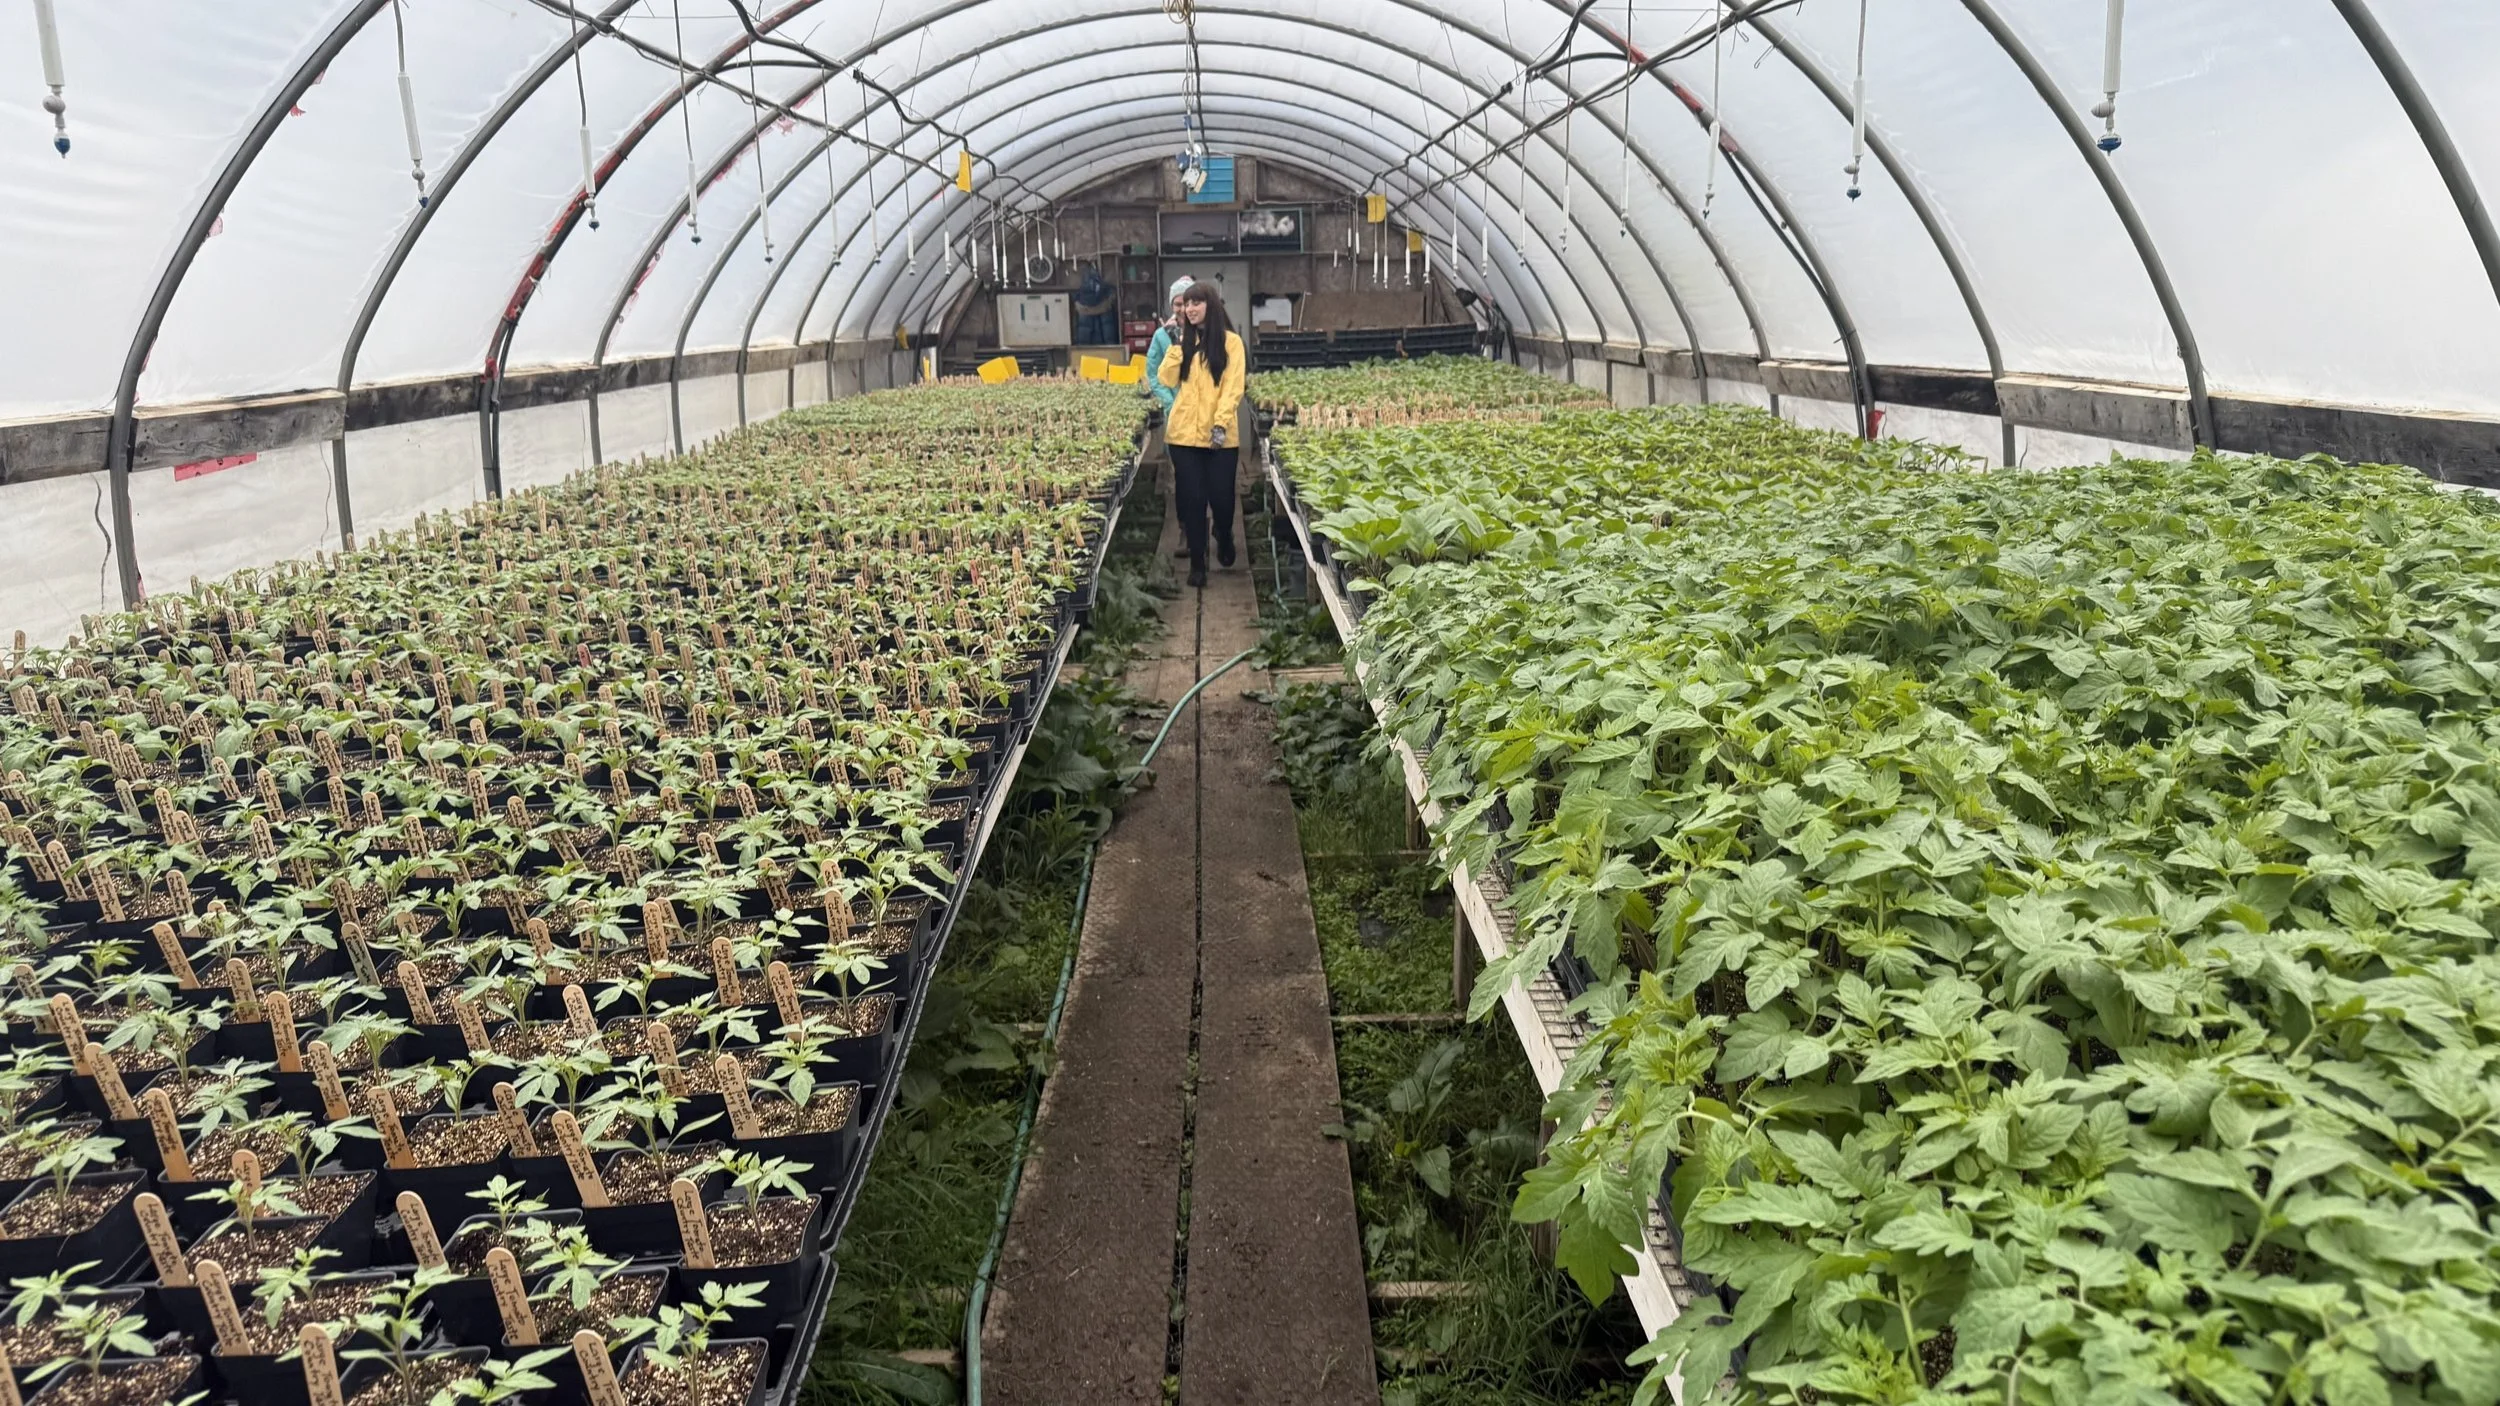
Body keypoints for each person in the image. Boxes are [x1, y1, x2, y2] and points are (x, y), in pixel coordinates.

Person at [1157, 282, 1247, 589]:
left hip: (1219, 437)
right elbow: (1167, 378)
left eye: (1196, 303)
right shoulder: (1185, 341)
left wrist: (1220, 424)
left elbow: (1233, 387)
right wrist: (1176, 344)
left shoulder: (1231, 343)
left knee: (1222, 499)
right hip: (1183, 436)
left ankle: (1223, 534)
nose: (1190, 309)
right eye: (1186, 304)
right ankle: (1198, 563)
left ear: (1210, 305)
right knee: (1191, 500)